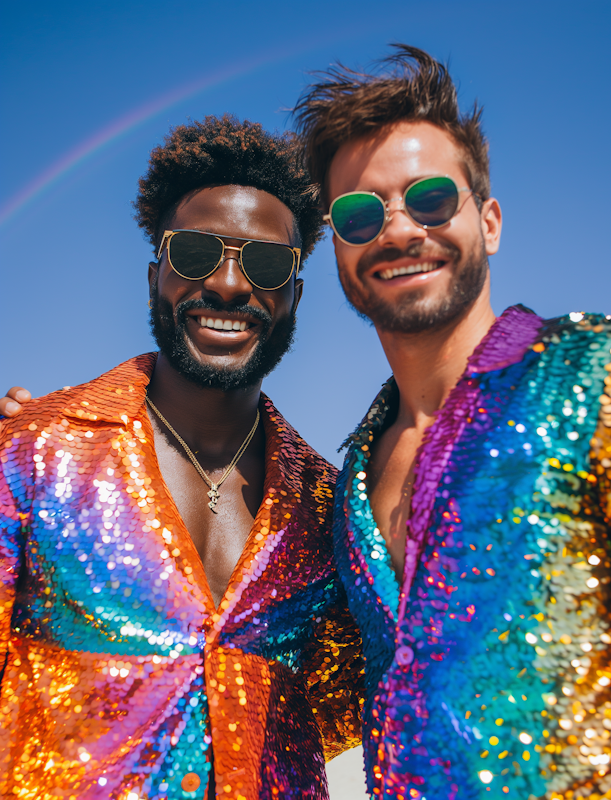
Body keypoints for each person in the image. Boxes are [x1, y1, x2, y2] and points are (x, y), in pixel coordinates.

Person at [292, 45, 611, 799]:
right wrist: (57, 445)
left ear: (489, 221)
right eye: (359, 213)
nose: (397, 230)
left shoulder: (608, 373)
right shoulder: (351, 476)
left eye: (429, 199)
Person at [0, 115, 363, 800]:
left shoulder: (332, 511)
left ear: (295, 294)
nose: (228, 284)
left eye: (265, 264)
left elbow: (351, 710)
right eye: (196, 253)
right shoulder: (35, 450)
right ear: (154, 275)